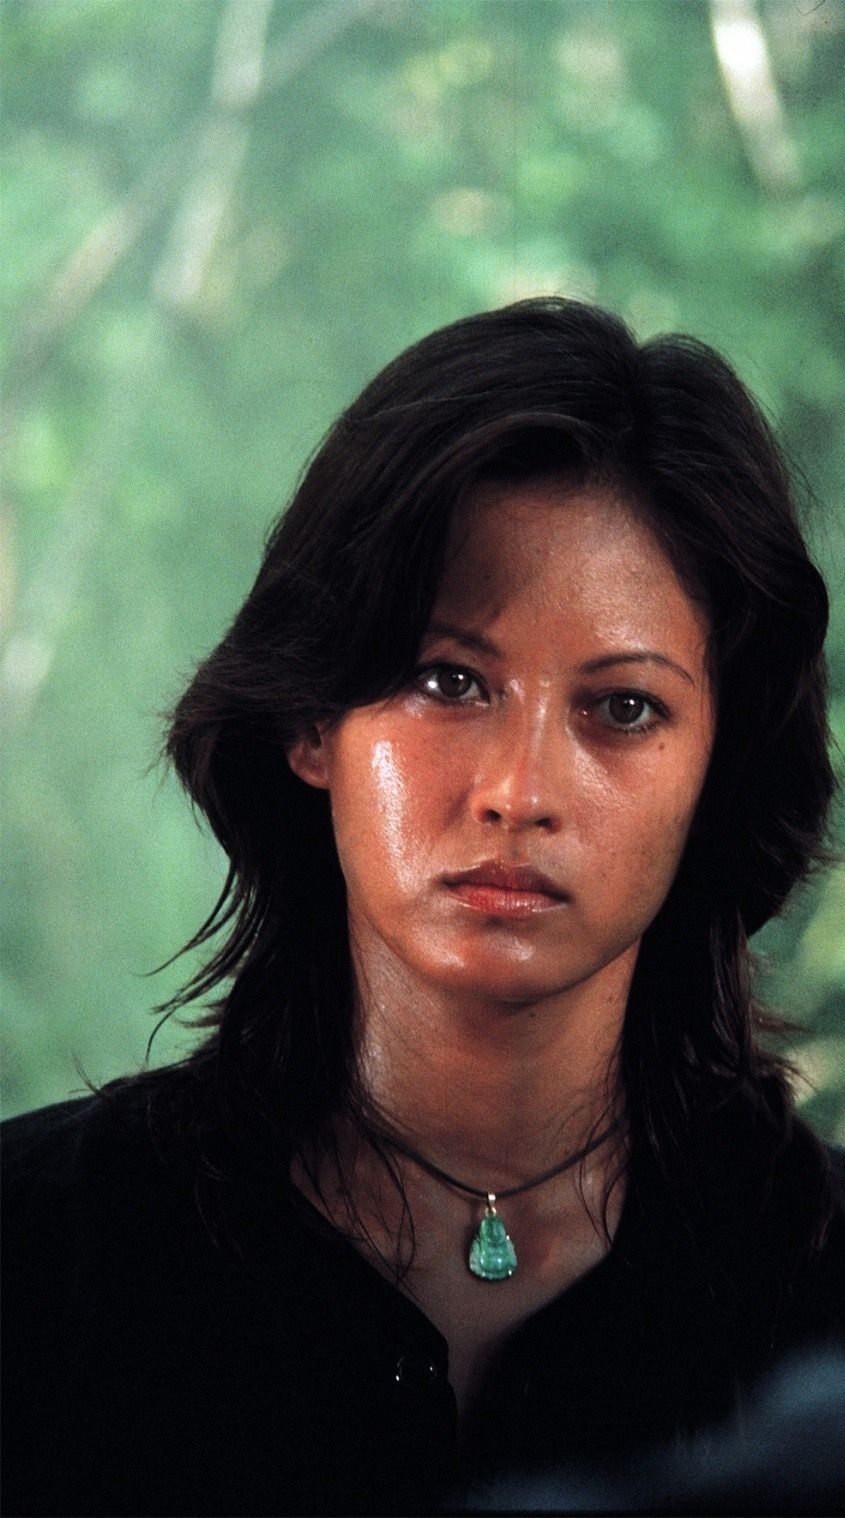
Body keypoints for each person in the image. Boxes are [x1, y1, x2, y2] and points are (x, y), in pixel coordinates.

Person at [2, 298, 843, 1518]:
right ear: (311, 722)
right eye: (448, 681)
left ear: (716, 771)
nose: (519, 792)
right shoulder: (39, 1256)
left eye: (620, 708)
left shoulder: (818, 1300)